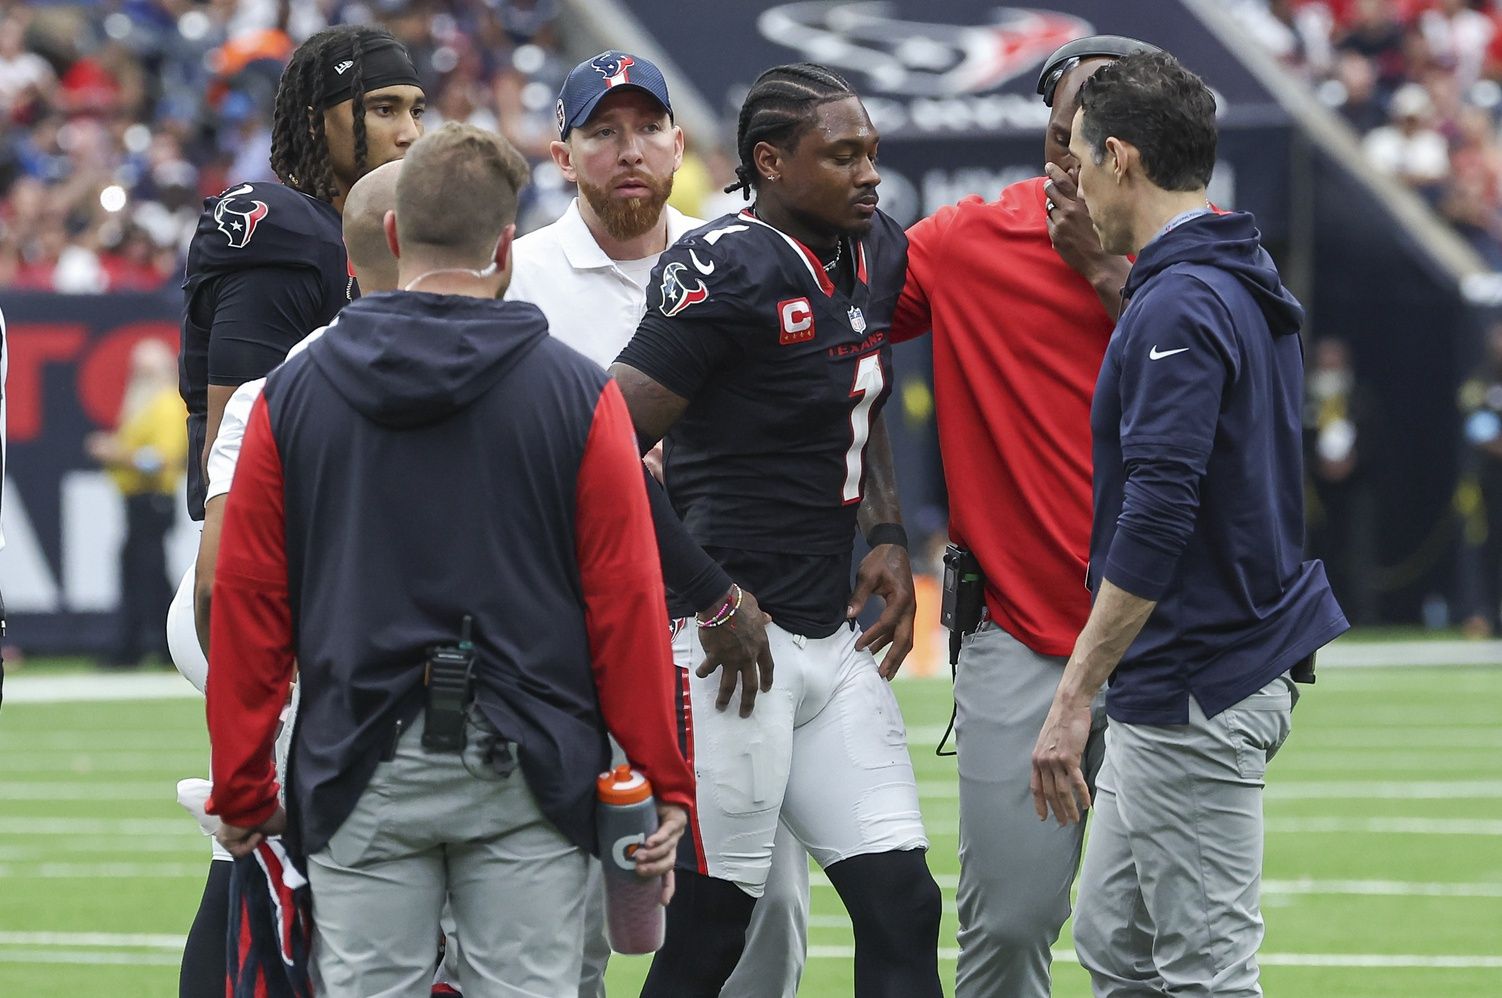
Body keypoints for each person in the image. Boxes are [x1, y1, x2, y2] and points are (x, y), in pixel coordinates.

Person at [205, 122, 694, 997]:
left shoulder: (291, 395)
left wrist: (244, 780)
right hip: (533, 757)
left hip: (356, 751)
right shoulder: (578, 393)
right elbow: (626, 602)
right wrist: (663, 780)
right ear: (505, 245)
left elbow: (246, 601)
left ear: (392, 238)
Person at [612, 63, 939, 998]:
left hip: (825, 634)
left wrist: (883, 527)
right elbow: (599, 450)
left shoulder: (875, 246)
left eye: (871, 151)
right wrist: (711, 597)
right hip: (722, 646)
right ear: (771, 163)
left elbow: (865, 388)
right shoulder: (725, 266)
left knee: (903, 904)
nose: (869, 173)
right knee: (712, 928)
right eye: (842, 156)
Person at [1029, 52, 1349, 996]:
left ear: (1120, 157)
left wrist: (1072, 693)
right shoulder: (1221, 264)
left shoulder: (1182, 295)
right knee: (1118, 948)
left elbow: (1160, 513)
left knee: (1207, 976)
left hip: (1197, 679)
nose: (1075, 177)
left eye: (1082, 155)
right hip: (1185, 677)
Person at [506, 49, 809, 998]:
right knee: (579, 916)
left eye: (646, 129)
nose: (628, 151)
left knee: (766, 907)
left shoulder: (743, 252)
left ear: (681, 141)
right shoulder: (522, 278)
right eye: (603, 132)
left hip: (729, 622)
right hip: (571, 632)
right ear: (562, 154)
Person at [890, 34, 1157, 998]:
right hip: (1022, 633)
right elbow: (838, 344)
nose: (1060, 163)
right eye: (1052, 138)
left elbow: (1235, 400)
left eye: (1083, 144)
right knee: (1006, 927)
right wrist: (882, 522)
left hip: (1170, 642)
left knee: (1160, 944)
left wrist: (1102, 274)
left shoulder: (1197, 257)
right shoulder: (967, 240)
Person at [168, 159, 415, 998]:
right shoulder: (540, 369)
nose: (406, 129)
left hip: (334, 659)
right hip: (361, 665)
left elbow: (220, 587)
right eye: (386, 107)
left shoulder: (285, 384)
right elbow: (221, 586)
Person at [178, 23, 424, 523]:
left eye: (416, 110)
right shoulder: (286, 229)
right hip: (286, 560)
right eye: (384, 109)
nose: (411, 133)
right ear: (316, 124)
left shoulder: (384, 240)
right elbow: (231, 460)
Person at [85, 339, 187, 668]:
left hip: (152, 499)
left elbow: (162, 460)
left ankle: (151, 646)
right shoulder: (145, 407)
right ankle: (147, 646)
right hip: (139, 501)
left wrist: (117, 454)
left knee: (148, 573)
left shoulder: (166, 405)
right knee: (143, 572)